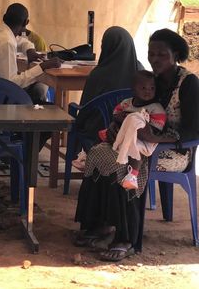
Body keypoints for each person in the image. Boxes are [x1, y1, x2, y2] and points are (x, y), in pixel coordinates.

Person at [74, 29, 199, 262]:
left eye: (162, 54)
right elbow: (136, 108)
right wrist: (117, 124)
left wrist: (155, 139)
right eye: (152, 54)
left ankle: (126, 238)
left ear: (176, 55)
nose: (155, 59)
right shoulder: (152, 80)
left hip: (174, 150)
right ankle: (99, 223)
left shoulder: (188, 83)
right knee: (99, 153)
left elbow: (193, 130)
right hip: (141, 139)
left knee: (124, 164)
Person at [74, 26, 143, 155]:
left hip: (98, 132)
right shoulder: (141, 73)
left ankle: (77, 156)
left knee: (79, 118)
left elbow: (85, 108)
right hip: (133, 133)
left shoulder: (98, 74)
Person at [0, 3, 60, 103]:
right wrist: (42, 66)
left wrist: (30, 50)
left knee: (36, 91)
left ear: (4, 17)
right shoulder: (6, 41)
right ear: (26, 22)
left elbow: (20, 41)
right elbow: (12, 84)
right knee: (44, 102)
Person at [97, 70, 166, 190]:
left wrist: (140, 122)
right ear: (133, 89)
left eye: (152, 88)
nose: (148, 91)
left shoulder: (156, 108)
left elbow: (156, 129)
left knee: (136, 151)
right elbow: (116, 114)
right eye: (143, 87)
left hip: (145, 140)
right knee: (104, 135)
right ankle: (87, 157)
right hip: (124, 133)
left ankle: (133, 175)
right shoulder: (126, 103)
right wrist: (119, 118)